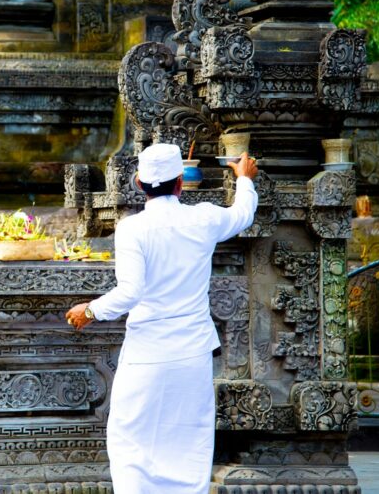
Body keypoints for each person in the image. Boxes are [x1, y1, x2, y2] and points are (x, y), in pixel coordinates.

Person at [66, 143, 258, 493]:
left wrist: (90, 310)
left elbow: (131, 292)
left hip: (147, 354)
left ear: (139, 184)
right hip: (191, 353)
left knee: (131, 440)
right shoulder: (203, 217)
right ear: (180, 184)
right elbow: (243, 214)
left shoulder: (132, 229)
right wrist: (244, 179)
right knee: (188, 442)